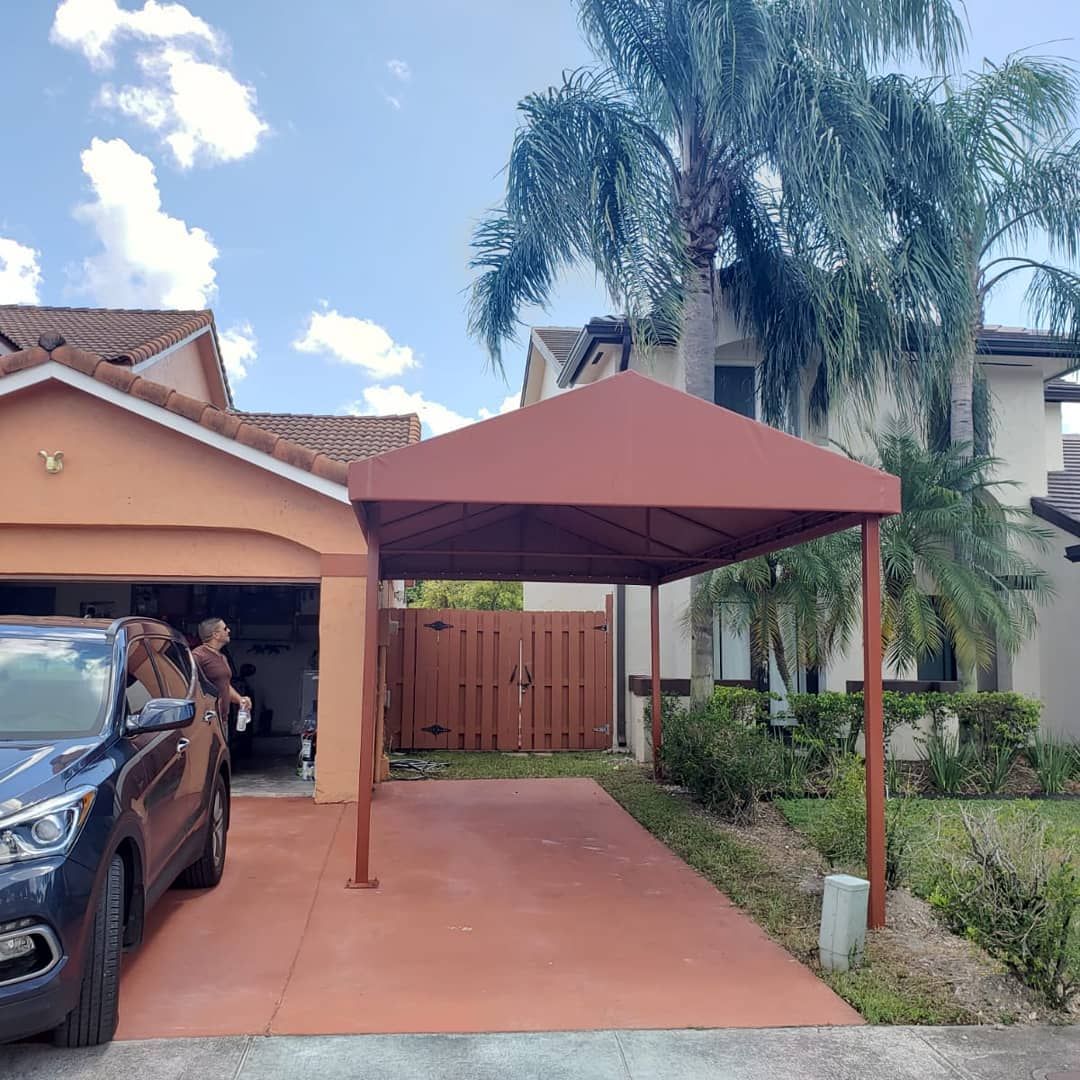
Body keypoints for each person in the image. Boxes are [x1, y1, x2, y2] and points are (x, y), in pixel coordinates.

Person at [192, 618, 251, 744]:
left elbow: (225, 685)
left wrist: (240, 699)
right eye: (225, 628)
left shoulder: (221, 657)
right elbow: (190, 686)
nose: (229, 630)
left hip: (222, 720)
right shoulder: (198, 656)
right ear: (216, 635)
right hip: (206, 722)